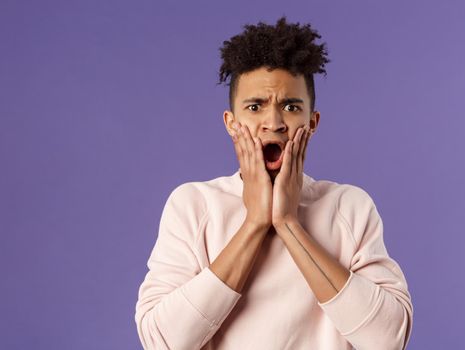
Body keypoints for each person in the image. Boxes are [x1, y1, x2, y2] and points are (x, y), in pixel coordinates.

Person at [134, 16, 413, 350]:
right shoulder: (194, 204)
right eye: (255, 107)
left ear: (312, 122)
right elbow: (162, 342)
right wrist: (255, 222)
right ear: (231, 123)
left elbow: (387, 339)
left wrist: (287, 222)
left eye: (291, 106)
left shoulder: (349, 206)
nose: (274, 122)